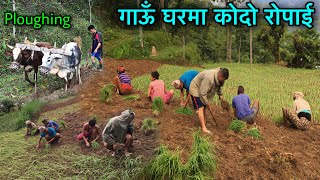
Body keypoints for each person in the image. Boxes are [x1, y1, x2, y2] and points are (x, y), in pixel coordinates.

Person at [189, 67, 229, 134]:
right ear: (219, 75)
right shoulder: (208, 78)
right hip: (196, 88)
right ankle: (203, 128)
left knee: (204, 106)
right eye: (222, 79)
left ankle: (203, 121)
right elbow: (202, 92)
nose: (223, 81)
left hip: (203, 88)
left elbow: (218, 85)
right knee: (201, 107)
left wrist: (220, 95)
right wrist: (207, 102)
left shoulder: (220, 78)